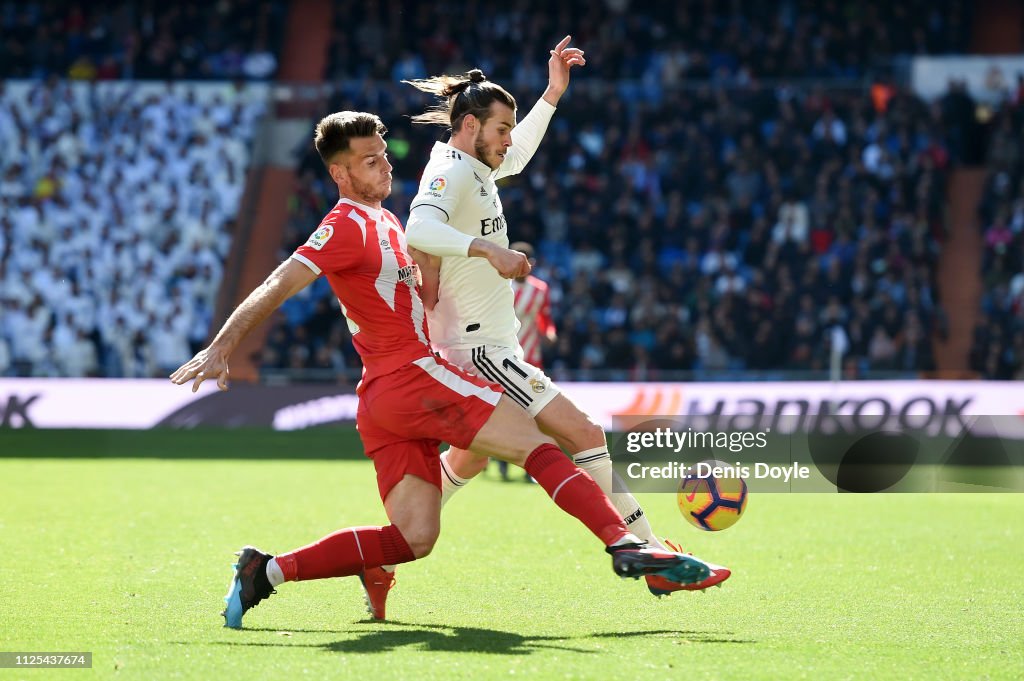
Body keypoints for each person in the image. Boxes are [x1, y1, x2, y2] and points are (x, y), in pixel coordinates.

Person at [170, 110, 713, 628]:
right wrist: (222, 348)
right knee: (535, 442)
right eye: (368, 160)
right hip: (411, 378)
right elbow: (277, 284)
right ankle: (625, 545)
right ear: (339, 173)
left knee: (413, 538)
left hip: (385, 400)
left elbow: (422, 286)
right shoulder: (343, 227)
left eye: (384, 155)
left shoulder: (387, 222)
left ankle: (263, 571)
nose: (384, 166)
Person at [401, 36, 731, 602]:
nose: (508, 141)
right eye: (500, 129)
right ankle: (654, 553)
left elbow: (520, 153)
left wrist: (552, 92)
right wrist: (490, 253)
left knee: (468, 461)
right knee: (584, 432)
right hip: (481, 351)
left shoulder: (473, 166)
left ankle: (388, 547)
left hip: (485, 344)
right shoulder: (450, 172)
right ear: (470, 125)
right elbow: (417, 230)